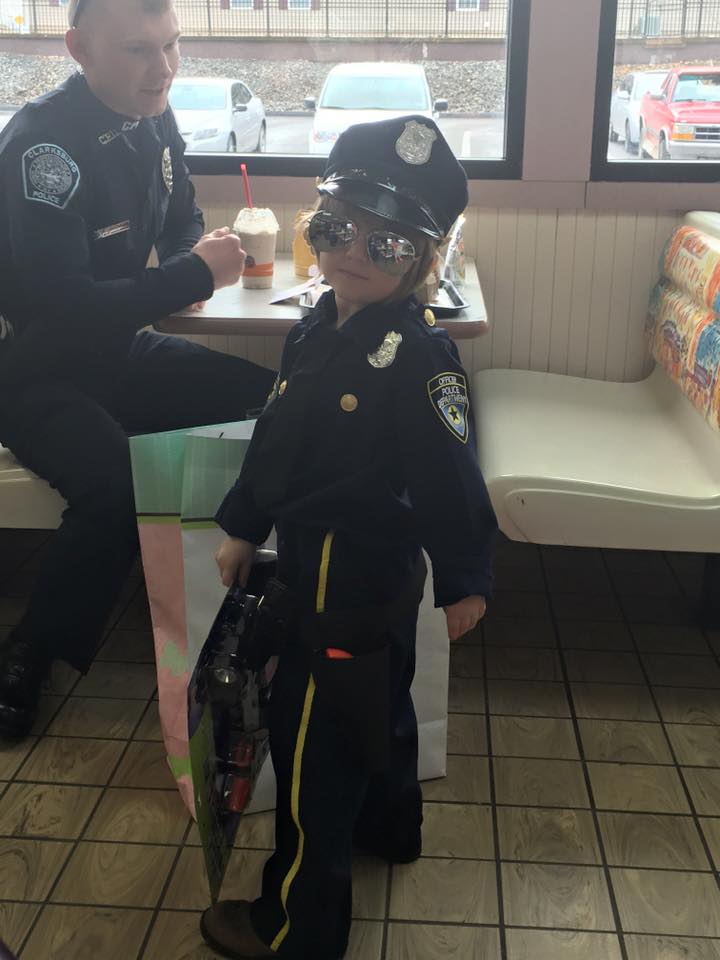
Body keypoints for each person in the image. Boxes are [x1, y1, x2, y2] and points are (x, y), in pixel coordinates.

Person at [202, 115, 498, 960]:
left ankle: (292, 928)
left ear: (426, 259)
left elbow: (451, 472)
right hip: (327, 565)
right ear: (314, 231)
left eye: (389, 243)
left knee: (313, 756)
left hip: (351, 577)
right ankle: (389, 826)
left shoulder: (421, 355)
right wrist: (243, 523)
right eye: (336, 229)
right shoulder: (313, 324)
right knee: (378, 711)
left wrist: (469, 577)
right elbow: (277, 437)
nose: (355, 253)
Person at [0, 0, 276, 738]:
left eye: (173, 46)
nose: (164, 69)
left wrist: (196, 255)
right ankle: (31, 649)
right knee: (114, 486)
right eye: (138, 51)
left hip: (118, 349)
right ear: (78, 49)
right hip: (35, 370)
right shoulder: (41, 149)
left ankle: (241, 592)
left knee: (277, 402)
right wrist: (192, 277)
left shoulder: (152, 113)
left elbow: (182, 214)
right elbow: (64, 311)